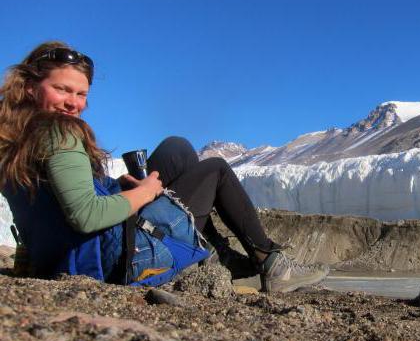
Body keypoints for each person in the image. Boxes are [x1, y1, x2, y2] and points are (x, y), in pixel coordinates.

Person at [0, 41, 329, 292]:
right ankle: (270, 261)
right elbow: (86, 216)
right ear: (31, 86)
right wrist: (143, 194)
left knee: (177, 148)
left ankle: (221, 256)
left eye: (82, 93)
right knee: (215, 169)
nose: (74, 102)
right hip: (116, 258)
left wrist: (122, 188)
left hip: (71, 254)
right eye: (62, 89)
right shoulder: (60, 133)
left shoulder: (14, 136)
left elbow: (53, 207)